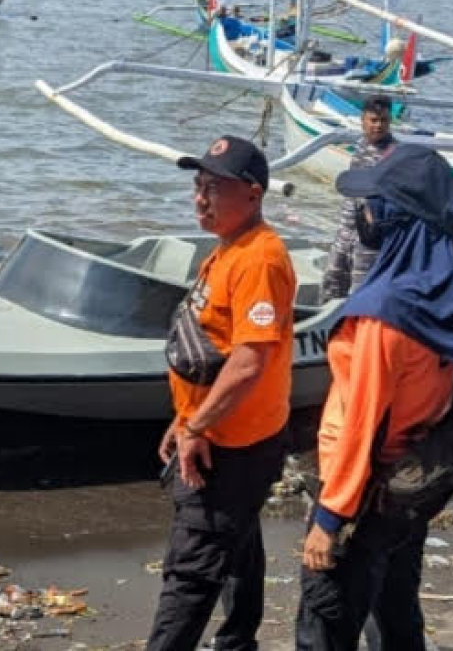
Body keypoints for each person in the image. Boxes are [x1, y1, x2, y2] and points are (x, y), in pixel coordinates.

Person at [296, 145, 453, 650]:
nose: (365, 214)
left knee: (326, 619)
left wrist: (329, 519)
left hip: (366, 488)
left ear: (397, 217)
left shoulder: (384, 314)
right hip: (414, 485)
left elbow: (362, 423)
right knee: (395, 604)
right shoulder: (442, 287)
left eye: (374, 203)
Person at [147, 136, 296, 651]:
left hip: (232, 445)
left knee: (192, 566)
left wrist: (197, 426)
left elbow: (250, 360)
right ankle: (239, 642)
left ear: (253, 195)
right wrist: (186, 414)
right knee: (237, 542)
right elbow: (212, 345)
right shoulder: (230, 247)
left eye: (213, 187)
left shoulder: (260, 259)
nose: (199, 198)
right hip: (220, 429)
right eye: (197, 185)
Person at [319, 95, 396, 301]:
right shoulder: (360, 146)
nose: (378, 126)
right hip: (346, 230)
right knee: (331, 283)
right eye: (373, 120)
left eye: (384, 121)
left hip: (369, 238)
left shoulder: (394, 154)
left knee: (359, 294)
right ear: (363, 120)